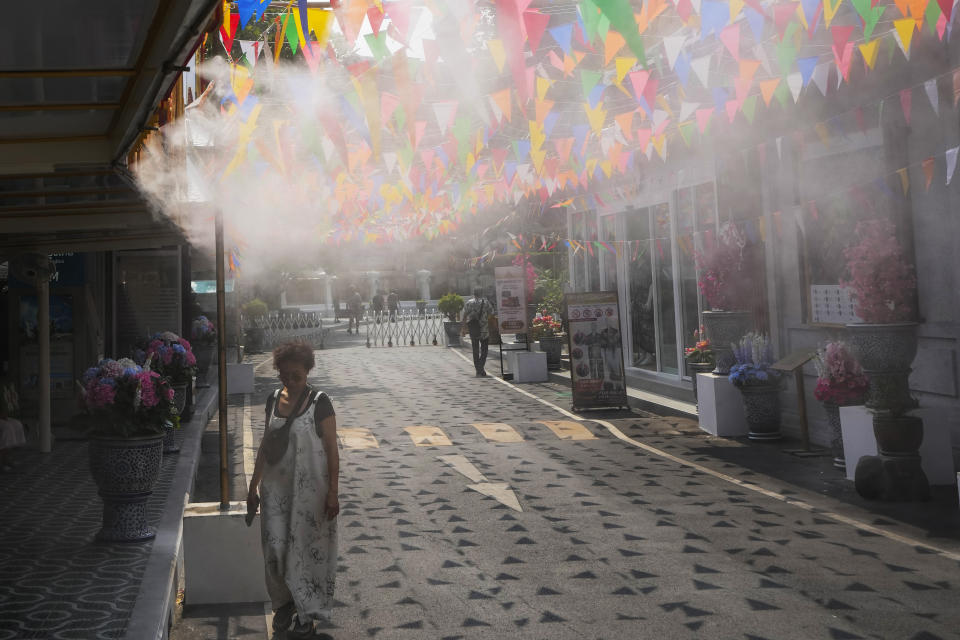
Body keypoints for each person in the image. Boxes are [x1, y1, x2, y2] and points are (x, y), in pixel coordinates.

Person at [247, 342, 340, 639]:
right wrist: (253, 485)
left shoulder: (320, 402)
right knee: (275, 552)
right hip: (275, 492)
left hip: (310, 496)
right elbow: (265, 444)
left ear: (308, 371)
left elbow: (332, 451)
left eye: (296, 376)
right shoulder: (273, 399)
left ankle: (307, 612)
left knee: (306, 553)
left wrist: (333, 493)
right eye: (284, 376)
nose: (290, 381)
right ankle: (285, 605)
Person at [461, 287, 492, 377]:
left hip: (473, 329)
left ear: (474, 294)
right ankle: (480, 367)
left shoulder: (469, 303)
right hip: (484, 330)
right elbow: (491, 313)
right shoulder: (486, 302)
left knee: (475, 350)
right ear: (481, 294)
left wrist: (463, 329)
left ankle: (478, 370)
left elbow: (464, 316)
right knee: (484, 350)